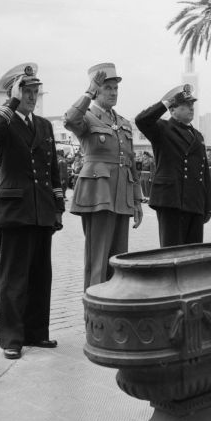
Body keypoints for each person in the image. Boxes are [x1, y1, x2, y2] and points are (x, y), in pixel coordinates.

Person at [0, 64, 64, 360]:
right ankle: (11, 338)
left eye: (34, 91)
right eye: (26, 91)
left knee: (40, 275)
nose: (32, 96)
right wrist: (12, 102)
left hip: (41, 209)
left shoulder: (43, 125)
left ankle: (35, 333)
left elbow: (53, 168)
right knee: (14, 277)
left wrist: (57, 205)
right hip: (15, 210)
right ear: (14, 94)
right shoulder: (3, 123)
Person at [63, 63, 142, 290]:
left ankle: (114, 305)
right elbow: (69, 120)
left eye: (116, 87)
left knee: (119, 259)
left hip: (121, 195)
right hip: (99, 194)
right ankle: (95, 305)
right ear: (96, 89)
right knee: (98, 259)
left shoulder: (124, 123)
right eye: (107, 87)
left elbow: (130, 164)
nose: (114, 92)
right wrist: (88, 92)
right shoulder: (86, 117)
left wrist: (136, 200)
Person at [135, 84, 211, 246]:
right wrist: (165, 102)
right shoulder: (162, 129)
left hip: (195, 202)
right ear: (172, 110)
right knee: (172, 253)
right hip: (172, 200)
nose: (191, 108)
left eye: (192, 105)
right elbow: (141, 121)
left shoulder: (197, 135)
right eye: (185, 105)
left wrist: (208, 204)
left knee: (193, 255)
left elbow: (203, 171)